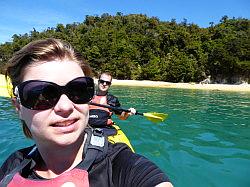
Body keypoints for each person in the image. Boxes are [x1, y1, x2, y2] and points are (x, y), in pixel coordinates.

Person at [0, 38, 173, 186]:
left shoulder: (121, 165)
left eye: (79, 90)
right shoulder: (13, 164)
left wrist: (127, 113)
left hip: (106, 131)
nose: (66, 106)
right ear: (18, 107)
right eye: (43, 95)